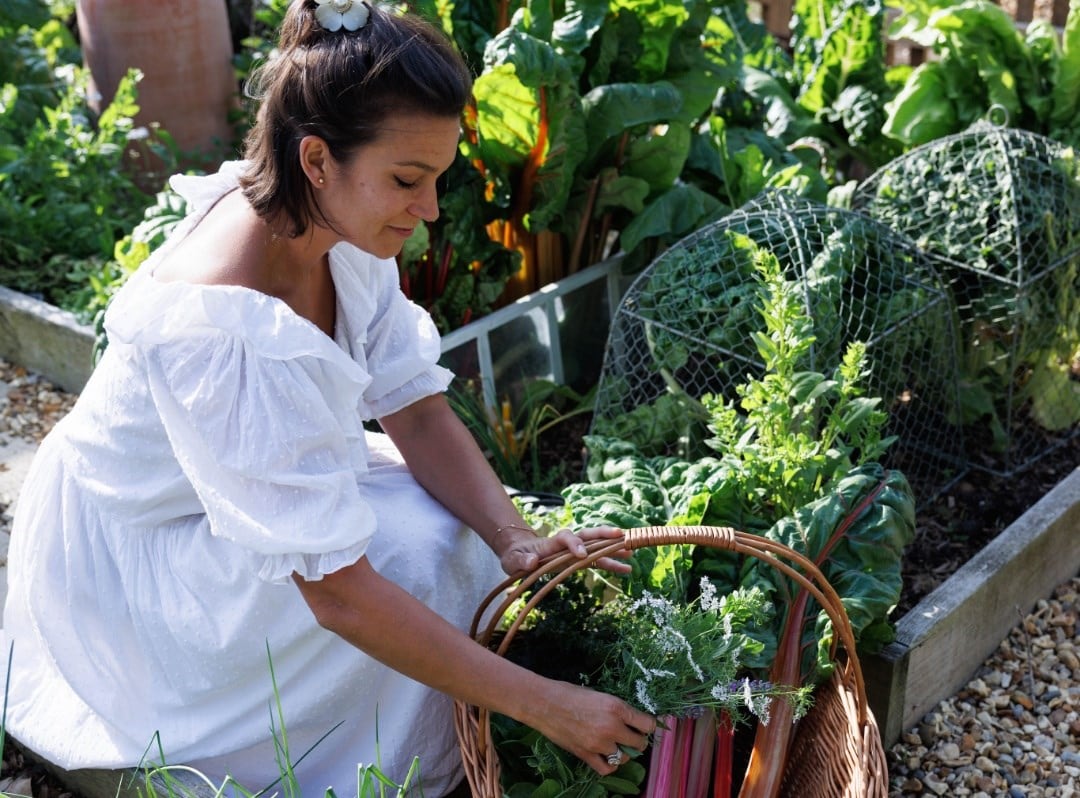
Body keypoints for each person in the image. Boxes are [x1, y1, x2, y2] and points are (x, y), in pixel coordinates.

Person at [0, 1, 656, 794]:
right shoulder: (227, 323)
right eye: (408, 181)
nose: (431, 209)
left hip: (236, 493)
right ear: (316, 159)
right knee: (410, 563)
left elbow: (413, 408)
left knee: (457, 537)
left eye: (437, 179)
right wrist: (545, 706)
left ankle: (444, 713)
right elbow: (340, 595)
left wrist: (514, 537)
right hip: (145, 554)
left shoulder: (330, 224)